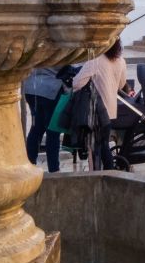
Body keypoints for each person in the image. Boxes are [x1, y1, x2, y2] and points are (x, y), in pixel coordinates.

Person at [73, 39, 128, 170]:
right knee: (103, 144)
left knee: (97, 147)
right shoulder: (121, 61)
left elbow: (76, 83)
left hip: (96, 112)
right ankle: (108, 172)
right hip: (111, 111)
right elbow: (121, 85)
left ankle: (103, 174)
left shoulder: (95, 60)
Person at [23, 66, 63, 173]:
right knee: (53, 131)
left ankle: (30, 164)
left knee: (36, 128)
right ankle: (54, 169)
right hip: (51, 89)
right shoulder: (59, 49)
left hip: (31, 88)